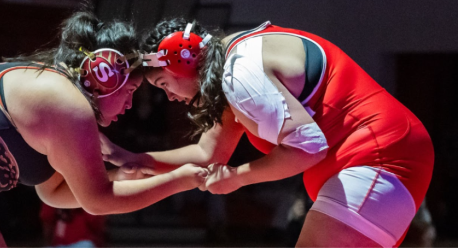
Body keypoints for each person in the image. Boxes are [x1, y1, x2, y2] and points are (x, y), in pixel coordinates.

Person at [0, 9, 208, 248]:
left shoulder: (59, 98)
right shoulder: (66, 104)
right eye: (130, 92)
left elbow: (52, 192)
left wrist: (118, 177)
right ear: (105, 76)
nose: (130, 105)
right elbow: (98, 202)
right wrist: (180, 180)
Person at [100, 18, 434, 247]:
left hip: (379, 155)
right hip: (373, 159)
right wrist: (133, 158)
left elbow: (308, 148)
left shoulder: (241, 73)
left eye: (163, 84)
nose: (170, 97)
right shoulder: (230, 69)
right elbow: (207, 155)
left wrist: (239, 176)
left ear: (182, 59)